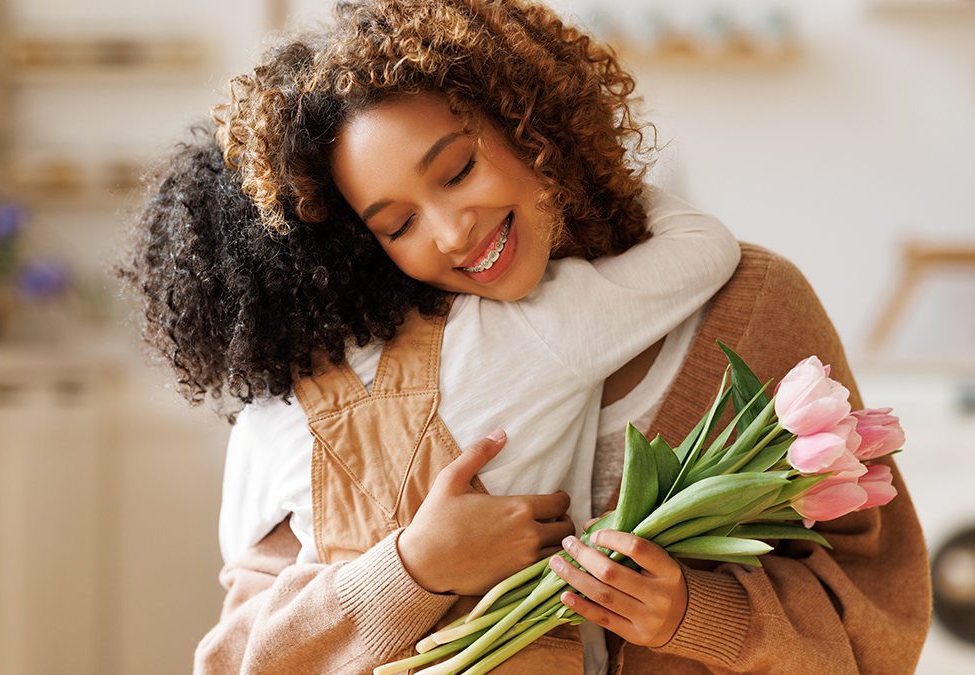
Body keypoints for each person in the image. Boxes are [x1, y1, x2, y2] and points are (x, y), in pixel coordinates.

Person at [121, 1, 932, 673]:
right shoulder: (360, 377)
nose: (449, 230)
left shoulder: (752, 304)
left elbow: (882, 621)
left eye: (458, 169)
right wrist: (409, 570)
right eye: (398, 223)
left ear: (528, 119)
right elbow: (239, 657)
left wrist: (691, 614)